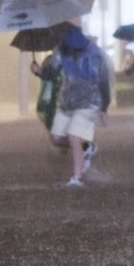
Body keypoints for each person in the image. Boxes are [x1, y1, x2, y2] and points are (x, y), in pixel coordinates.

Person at [31, 27, 110, 186]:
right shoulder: (60, 51)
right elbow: (51, 74)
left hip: (89, 102)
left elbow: (103, 82)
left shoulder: (95, 55)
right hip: (68, 102)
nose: (73, 53)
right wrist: (38, 71)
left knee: (74, 136)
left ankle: (77, 178)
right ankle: (87, 147)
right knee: (56, 138)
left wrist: (104, 107)